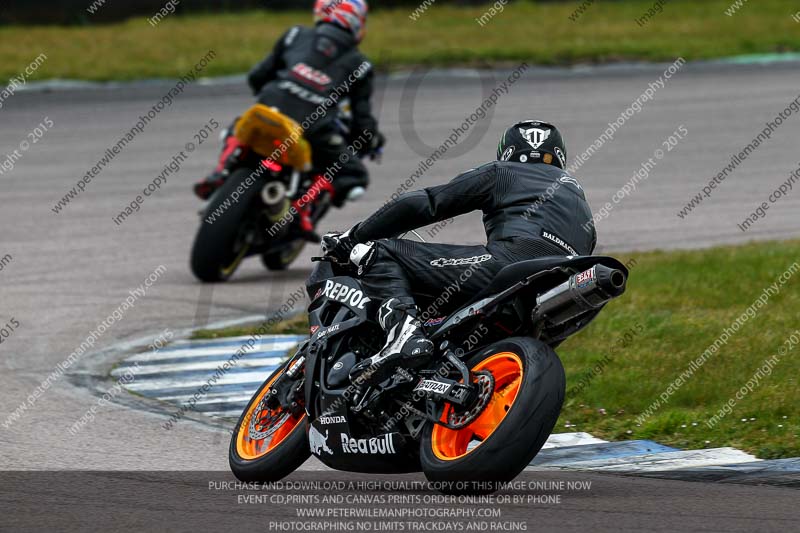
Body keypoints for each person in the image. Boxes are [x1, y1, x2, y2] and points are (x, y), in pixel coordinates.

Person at [322, 120, 597, 384]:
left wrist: (354, 236)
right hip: (563, 284)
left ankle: (402, 334)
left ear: (507, 153)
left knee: (378, 251)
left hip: (509, 265)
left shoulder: (503, 171)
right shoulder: (581, 203)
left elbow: (427, 203)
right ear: (559, 156)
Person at [194, 0, 384, 208]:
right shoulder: (361, 65)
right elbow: (362, 120)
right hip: (315, 127)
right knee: (354, 176)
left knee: (236, 130)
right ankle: (301, 211)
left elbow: (257, 77)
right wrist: (369, 140)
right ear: (358, 24)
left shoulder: (295, 34)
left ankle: (220, 173)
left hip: (271, 106)